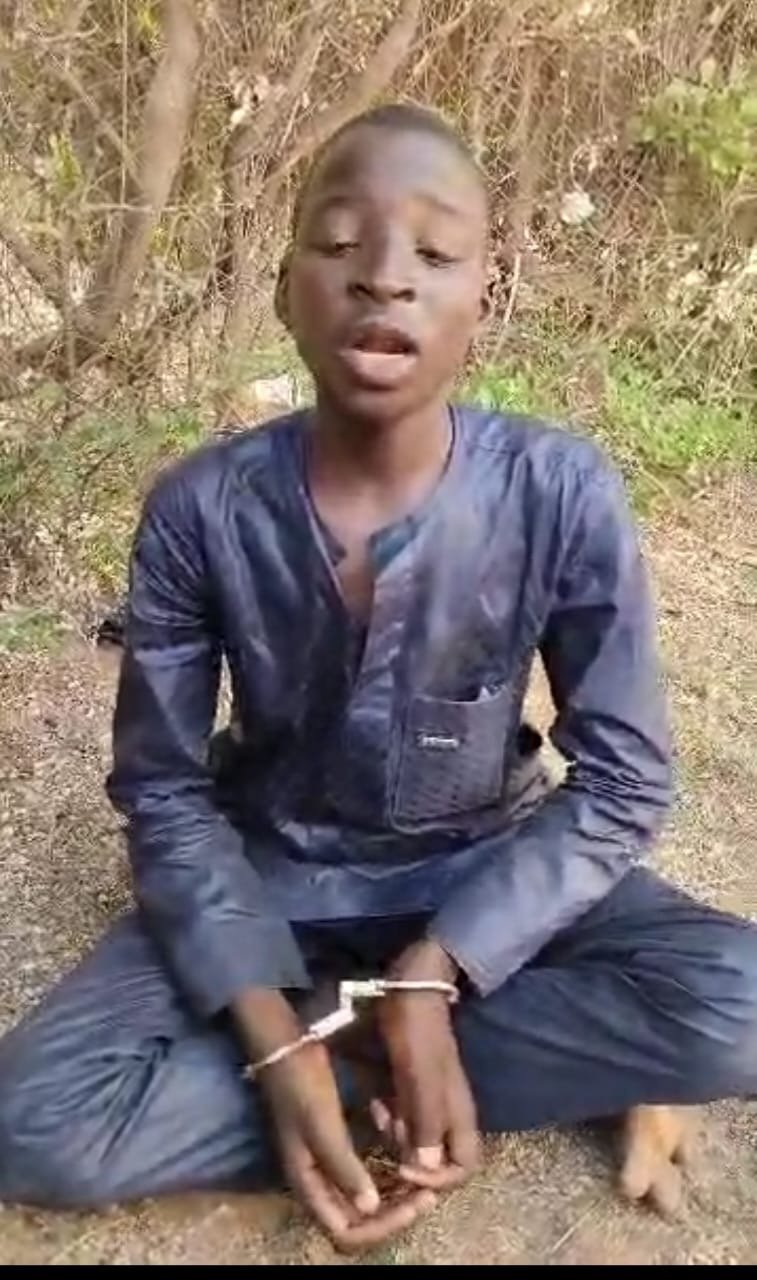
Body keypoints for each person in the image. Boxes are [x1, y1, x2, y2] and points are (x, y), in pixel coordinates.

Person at [1, 103, 756, 1252]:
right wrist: (270, 1029)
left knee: (738, 1003)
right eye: (341, 242)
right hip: (269, 873)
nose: (384, 277)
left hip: (481, 864)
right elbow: (162, 788)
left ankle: (369, 1045)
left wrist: (438, 971)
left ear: (487, 298)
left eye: (434, 252)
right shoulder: (200, 508)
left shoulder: (560, 493)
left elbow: (622, 782)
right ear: (284, 289)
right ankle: (383, 1065)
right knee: (34, 1122)